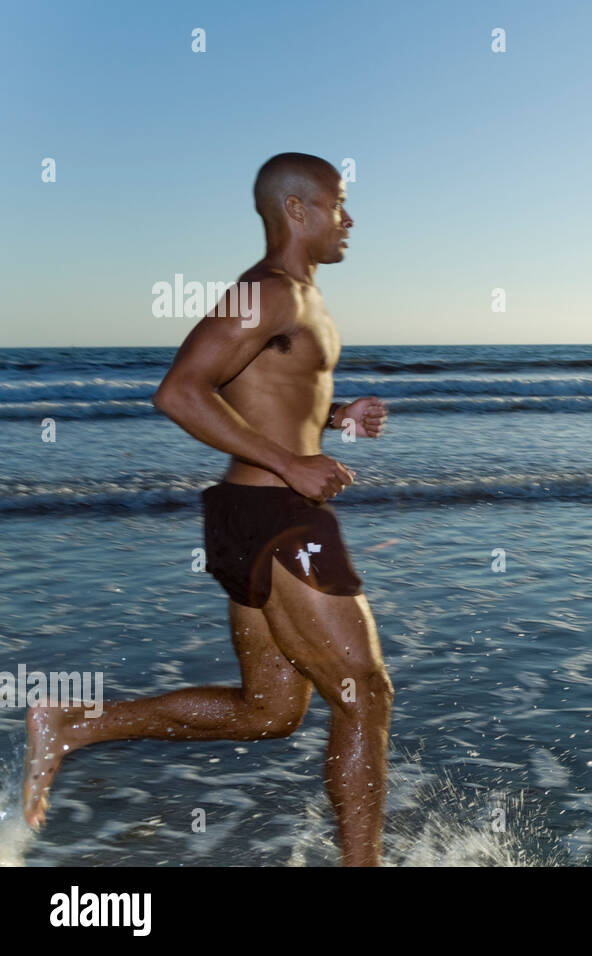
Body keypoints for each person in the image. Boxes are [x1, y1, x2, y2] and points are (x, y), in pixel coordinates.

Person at [22, 152, 392, 866]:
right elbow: (180, 391)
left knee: (270, 711)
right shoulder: (270, 292)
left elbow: (261, 398)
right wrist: (292, 464)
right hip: (278, 516)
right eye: (338, 203)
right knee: (364, 694)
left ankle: (71, 724)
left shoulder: (297, 298)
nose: (349, 219)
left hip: (248, 515)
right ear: (297, 210)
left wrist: (334, 416)